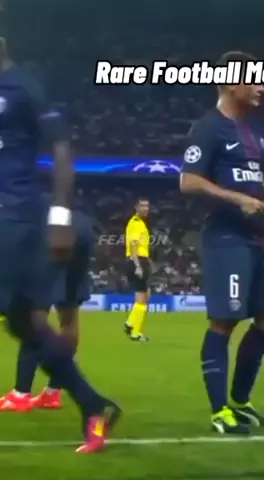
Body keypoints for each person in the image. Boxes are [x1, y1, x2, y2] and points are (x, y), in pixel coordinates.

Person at [0, 29, 120, 453]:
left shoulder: (24, 87)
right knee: (23, 323)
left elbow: (63, 149)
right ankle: (94, 406)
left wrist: (61, 215)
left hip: (16, 215)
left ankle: (91, 405)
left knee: (25, 320)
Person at [180, 51, 264, 435]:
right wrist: (237, 198)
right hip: (226, 236)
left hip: (259, 235)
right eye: (253, 80)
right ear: (229, 83)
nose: (262, 87)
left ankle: (240, 402)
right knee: (224, 321)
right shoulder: (208, 128)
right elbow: (188, 181)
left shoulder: (256, 130)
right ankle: (219, 411)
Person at [0, 207, 94, 411]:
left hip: (48, 224)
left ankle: (21, 394)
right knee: (69, 317)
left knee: (34, 315)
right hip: (79, 223)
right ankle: (53, 392)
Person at [123, 198, 151, 342]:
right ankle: (134, 331)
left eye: (147, 206)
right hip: (137, 260)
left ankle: (131, 324)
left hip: (141, 260)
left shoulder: (140, 223)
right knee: (142, 299)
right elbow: (133, 245)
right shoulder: (135, 222)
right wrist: (138, 266)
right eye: (142, 206)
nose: (146, 208)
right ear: (136, 207)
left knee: (145, 296)